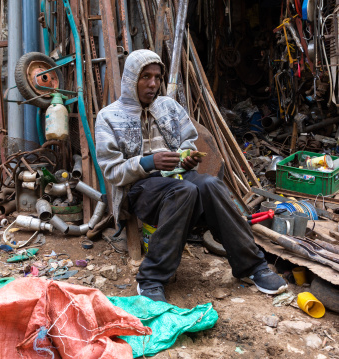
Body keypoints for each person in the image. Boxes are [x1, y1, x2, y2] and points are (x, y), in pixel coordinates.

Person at [95, 49, 287, 303]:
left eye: (156, 77)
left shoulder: (169, 107)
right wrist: (149, 161)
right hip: (140, 189)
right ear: (131, 79)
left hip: (178, 181)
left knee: (210, 184)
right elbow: (112, 171)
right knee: (184, 191)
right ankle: (151, 279)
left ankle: (253, 267)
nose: (152, 84)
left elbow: (189, 144)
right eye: (145, 77)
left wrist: (187, 158)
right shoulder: (109, 116)